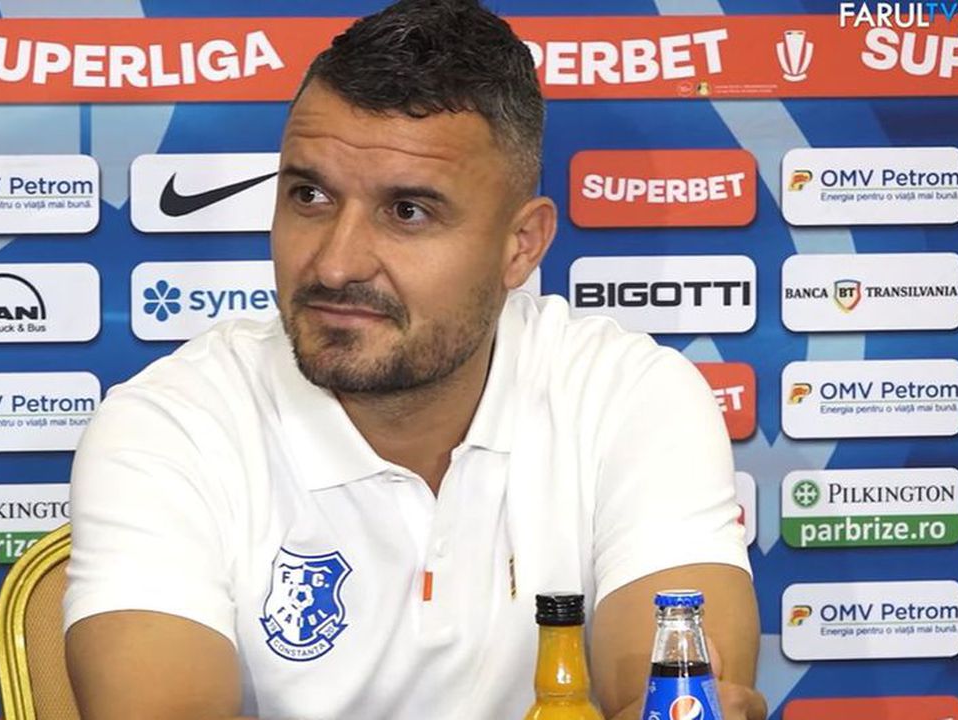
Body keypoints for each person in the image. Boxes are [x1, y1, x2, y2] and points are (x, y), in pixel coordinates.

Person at [63, 1, 767, 718]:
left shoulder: (632, 398)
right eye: (309, 196)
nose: (335, 264)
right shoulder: (168, 427)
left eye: (408, 212)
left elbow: (672, 697)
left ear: (520, 246)